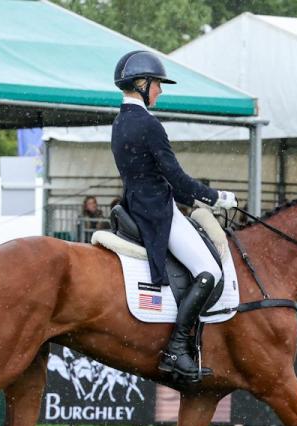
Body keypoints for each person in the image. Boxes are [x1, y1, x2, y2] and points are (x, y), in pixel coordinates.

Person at [110, 50, 237, 379]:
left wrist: (193, 197)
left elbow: (157, 177)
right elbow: (176, 178)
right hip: (157, 211)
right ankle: (176, 349)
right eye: (157, 84)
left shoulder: (120, 122)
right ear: (141, 83)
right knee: (210, 271)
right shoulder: (149, 125)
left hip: (135, 204)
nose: (160, 91)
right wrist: (216, 197)